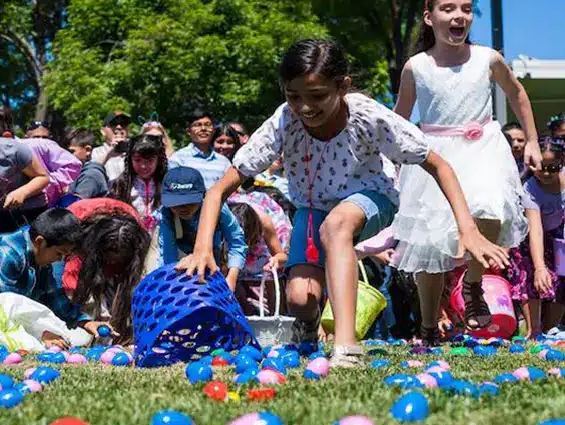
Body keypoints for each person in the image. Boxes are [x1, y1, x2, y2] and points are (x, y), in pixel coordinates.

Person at [180, 39, 507, 368]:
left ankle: (347, 347)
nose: (306, 107)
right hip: (312, 206)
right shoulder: (283, 121)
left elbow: (439, 165)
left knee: (337, 225)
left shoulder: (367, 116)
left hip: (372, 196)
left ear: (343, 86)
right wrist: (203, 247)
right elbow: (218, 189)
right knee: (300, 298)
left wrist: (467, 228)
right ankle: (307, 330)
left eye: (318, 95)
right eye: (294, 96)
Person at [391, 0, 541, 345]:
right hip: (435, 152)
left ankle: (472, 286)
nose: (459, 16)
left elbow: (518, 94)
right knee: (429, 243)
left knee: (491, 207)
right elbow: (400, 118)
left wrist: (534, 141)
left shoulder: (487, 58)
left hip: (483, 146)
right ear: (429, 17)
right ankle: (427, 325)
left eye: (466, 9)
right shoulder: (417, 67)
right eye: (448, 9)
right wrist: (388, 161)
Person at [0, 208, 110, 347]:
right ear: (40, 242)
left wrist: (84, 321)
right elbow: (4, 307)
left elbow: (52, 295)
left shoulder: (38, 251)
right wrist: (41, 333)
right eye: (59, 253)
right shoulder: (8, 255)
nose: (60, 260)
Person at [506, 138, 565, 337]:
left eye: (553, 167)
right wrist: (540, 267)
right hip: (532, 240)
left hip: (561, 234)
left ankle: (551, 328)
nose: (547, 173)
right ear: (532, 163)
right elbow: (536, 230)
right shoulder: (530, 190)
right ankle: (534, 329)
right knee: (532, 277)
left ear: (562, 163)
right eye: (542, 168)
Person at [62, 198, 150, 341]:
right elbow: (71, 281)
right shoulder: (76, 226)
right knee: (77, 293)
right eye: (110, 257)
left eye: (118, 257)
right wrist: (79, 318)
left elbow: (129, 283)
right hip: (80, 242)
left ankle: (120, 333)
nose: (112, 261)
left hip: (110, 252)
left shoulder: (137, 238)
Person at [159, 166, 247, 291]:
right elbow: (168, 257)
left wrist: (232, 277)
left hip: (216, 261)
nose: (183, 208)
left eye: (190, 203)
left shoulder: (218, 209)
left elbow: (236, 242)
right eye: (176, 204)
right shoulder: (166, 215)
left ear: (203, 196)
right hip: (182, 260)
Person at [0, 108, 81, 206]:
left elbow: (73, 165)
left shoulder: (40, 145)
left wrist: (44, 186)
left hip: (43, 210)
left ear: (7, 137)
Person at [229, 202, 289, 316]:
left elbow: (283, 257)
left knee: (271, 272)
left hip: (266, 218)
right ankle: (242, 313)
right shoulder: (225, 224)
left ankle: (277, 318)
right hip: (234, 227)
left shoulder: (265, 223)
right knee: (231, 273)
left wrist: (276, 261)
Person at [109, 135, 167, 232]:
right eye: (137, 160)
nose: (143, 166)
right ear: (130, 159)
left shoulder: (167, 182)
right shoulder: (121, 184)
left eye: (150, 160)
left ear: (159, 160)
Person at [168, 108, 231, 189]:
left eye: (208, 124)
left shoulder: (224, 162)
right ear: (188, 131)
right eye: (198, 125)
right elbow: (174, 190)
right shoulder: (178, 159)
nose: (203, 129)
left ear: (214, 130)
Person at [65, 129, 109, 199]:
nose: (66, 155)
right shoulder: (81, 172)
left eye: (71, 151)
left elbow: (75, 205)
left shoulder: (90, 176)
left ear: (88, 150)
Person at [91, 111, 132, 182]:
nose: (119, 127)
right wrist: (109, 152)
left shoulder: (134, 150)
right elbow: (91, 172)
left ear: (128, 130)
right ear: (103, 131)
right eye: (113, 124)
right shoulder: (96, 152)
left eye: (123, 124)